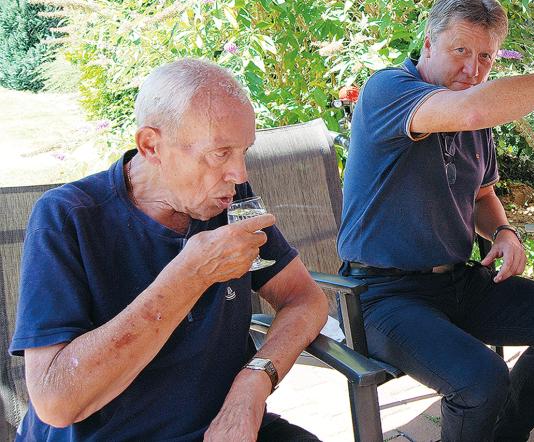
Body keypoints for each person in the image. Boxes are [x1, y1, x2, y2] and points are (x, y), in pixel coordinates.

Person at [336, 0, 534, 441]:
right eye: (460, 51)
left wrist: (504, 232)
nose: (472, 69)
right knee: (481, 379)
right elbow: (471, 108)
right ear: (428, 43)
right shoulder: (387, 89)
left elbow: (482, 195)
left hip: (456, 281)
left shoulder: (475, 119)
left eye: (485, 57)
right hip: (382, 293)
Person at [11, 59, 329, 441]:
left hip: (219, 428)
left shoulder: (228, 201)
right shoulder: (68, 218)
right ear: (151, 146)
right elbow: (55, 402)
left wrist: (254, 382)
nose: (239, 174)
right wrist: (190, 275)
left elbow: (306, 299)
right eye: (220, 152)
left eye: (244, 151)